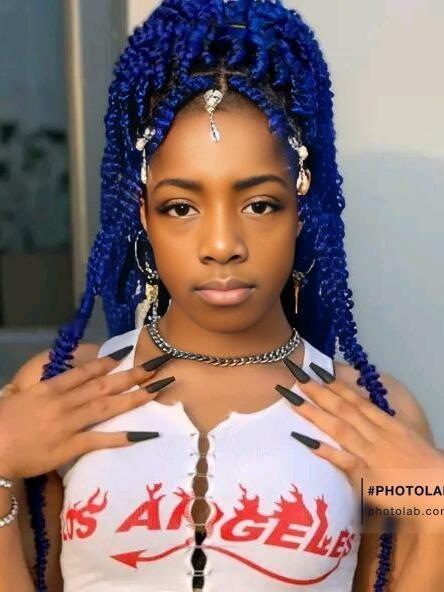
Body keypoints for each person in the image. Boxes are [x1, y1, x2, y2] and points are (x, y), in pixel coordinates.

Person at [0, 1, 443, 590]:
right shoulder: (61, 391)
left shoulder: (373, 414)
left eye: (259, 204)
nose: (221, 245)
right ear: (144, 216)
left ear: (301, 209)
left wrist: (437, 505)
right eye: (181, 207)